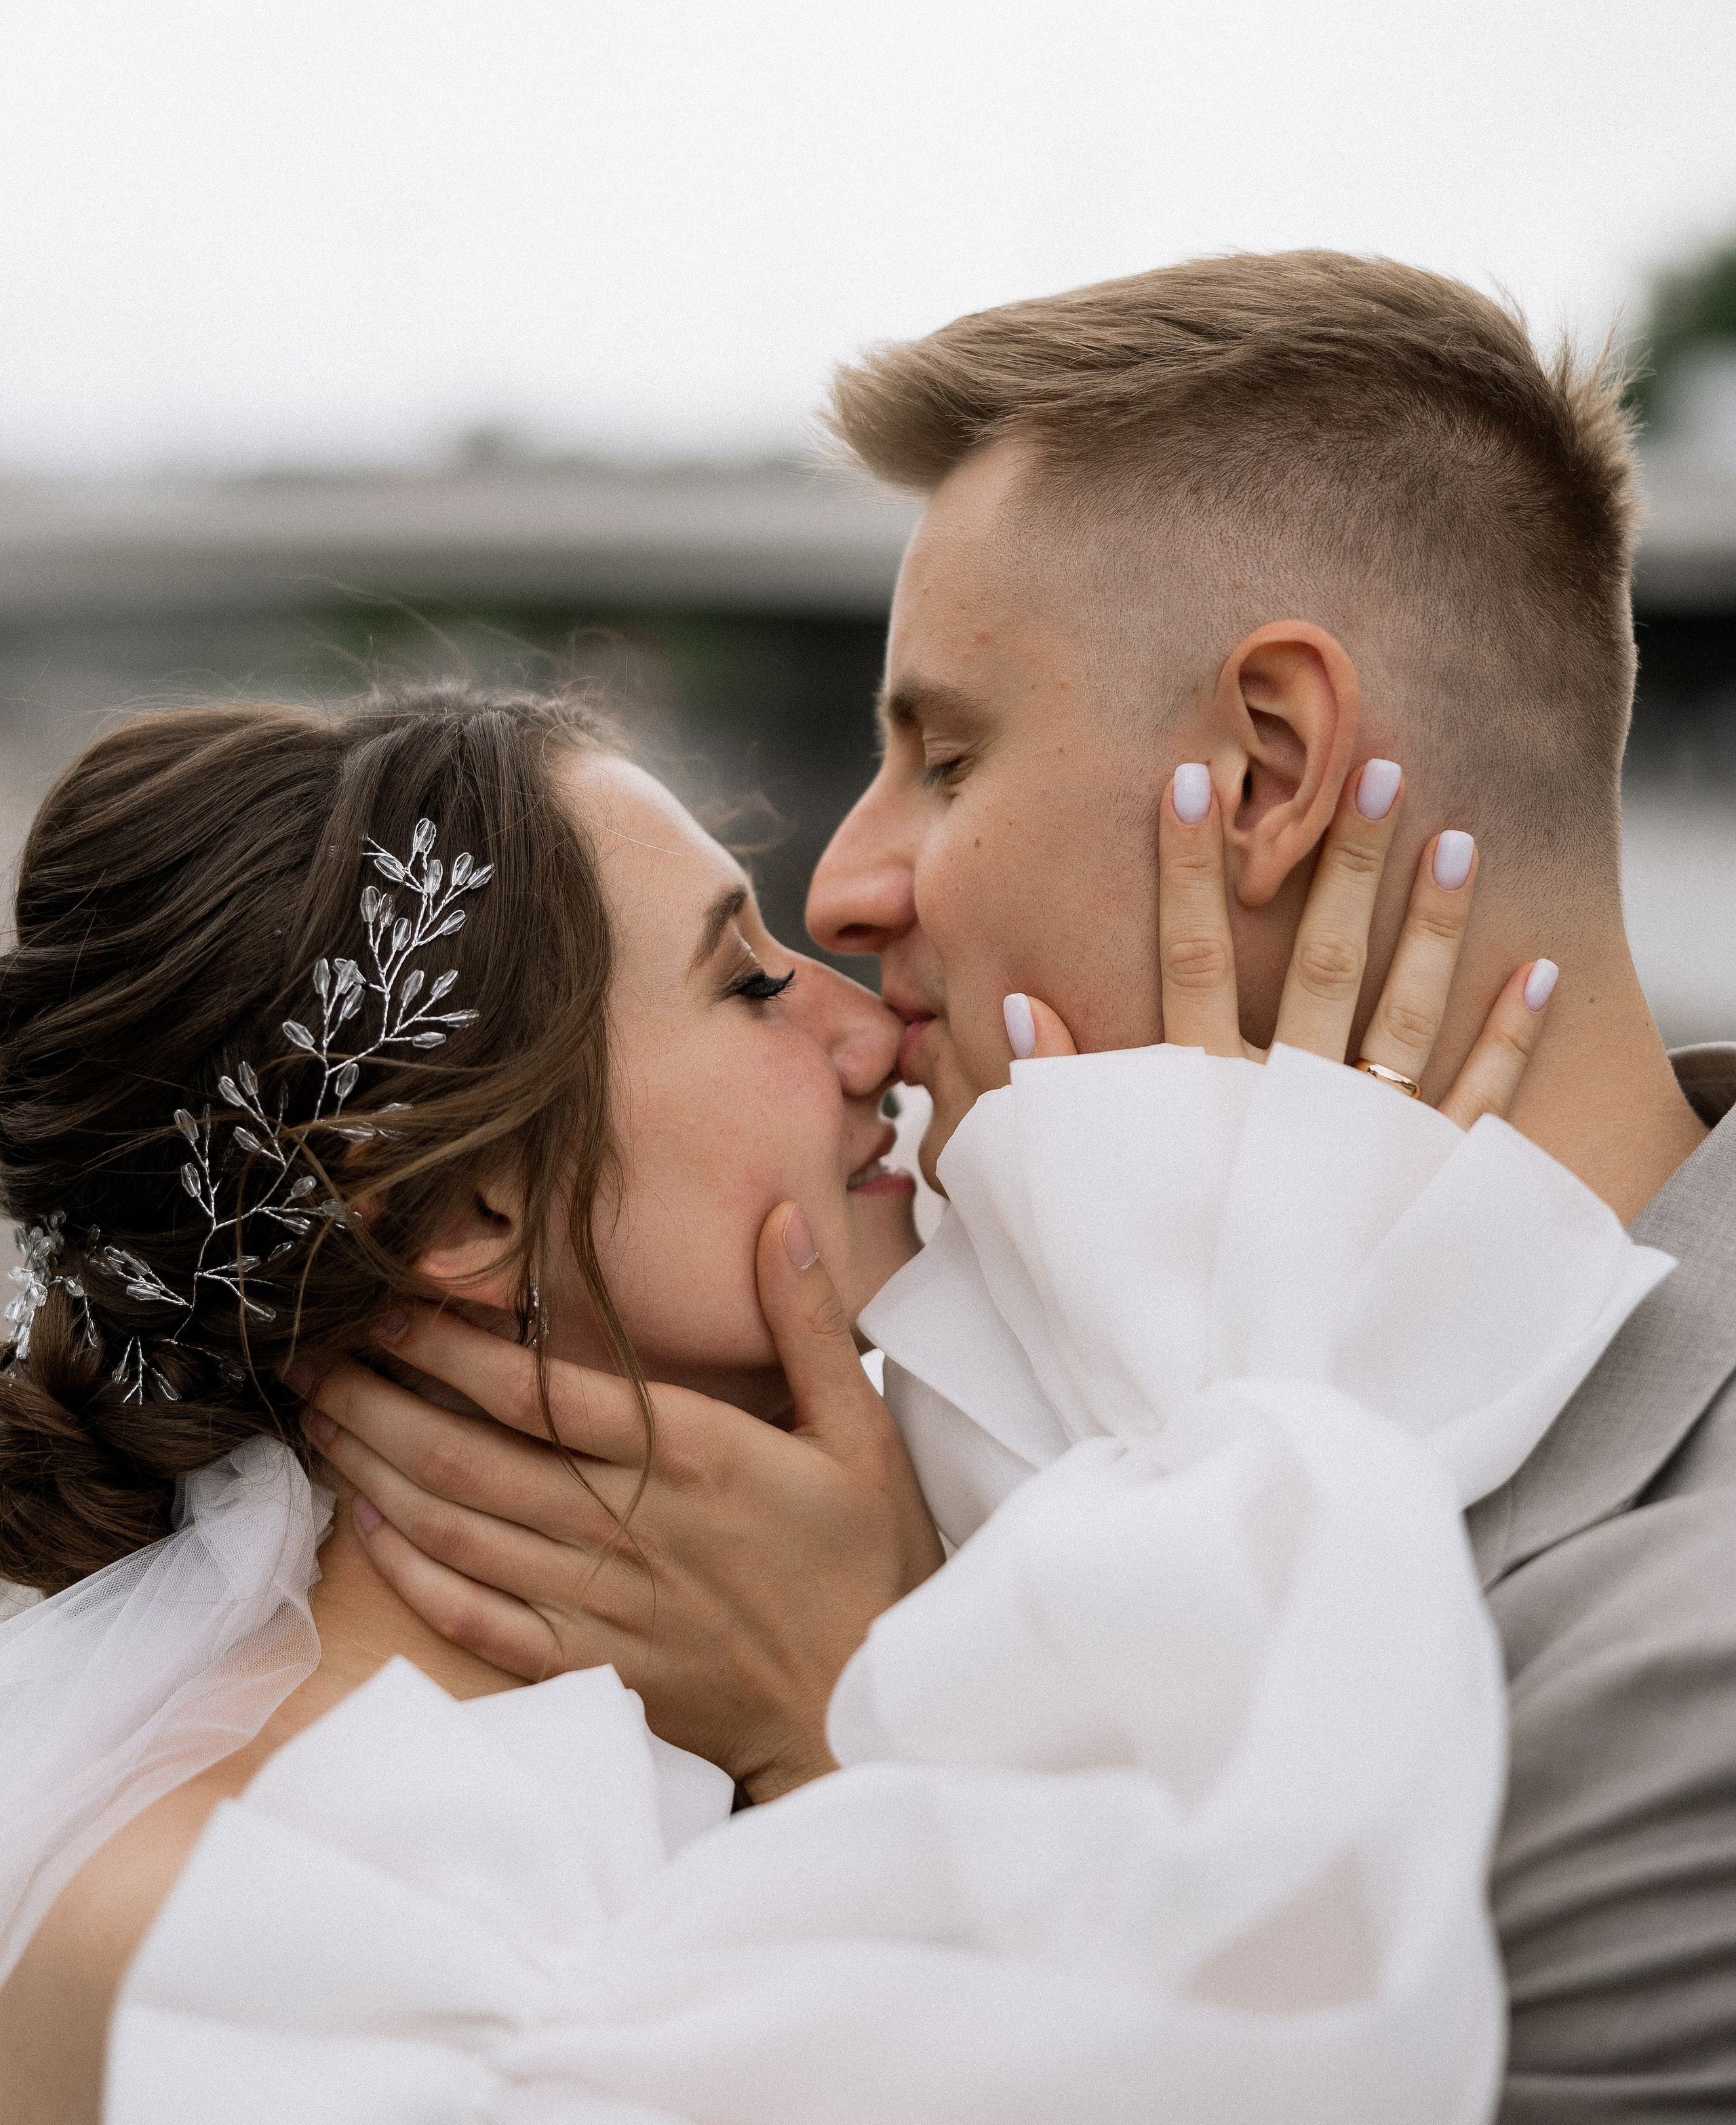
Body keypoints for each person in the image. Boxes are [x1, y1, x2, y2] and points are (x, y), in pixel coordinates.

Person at [317, 252, 1736, 2118]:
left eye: (946, 753)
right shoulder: (924, 1420)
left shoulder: (1683, 1654)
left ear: (1269, 768)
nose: (843, 886)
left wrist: (876, 1704)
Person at [0, 671, 1641, 2124]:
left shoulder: (615, 1750)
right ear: (462, 1215)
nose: (868, 1029)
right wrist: (1261, 1325)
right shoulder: (304, 1935)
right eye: (747, 982)